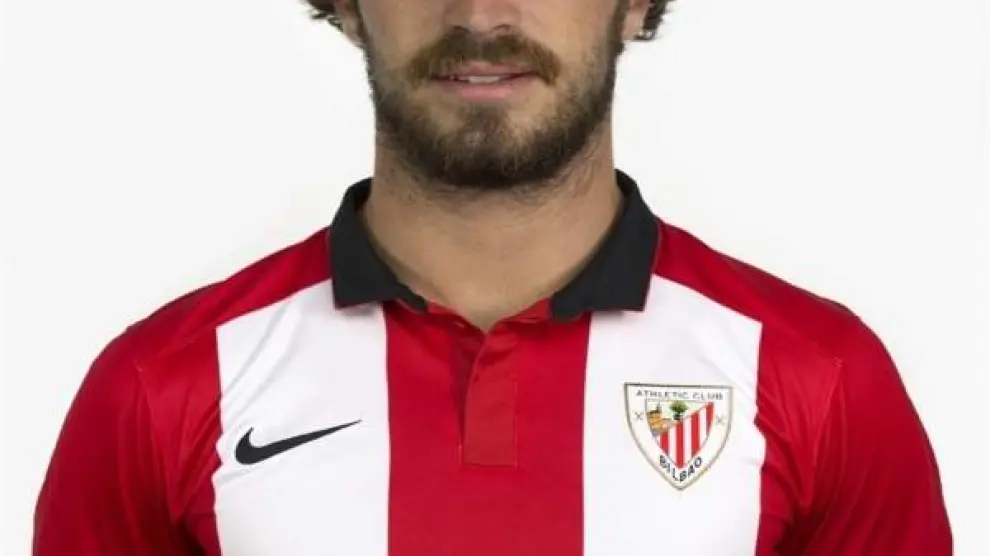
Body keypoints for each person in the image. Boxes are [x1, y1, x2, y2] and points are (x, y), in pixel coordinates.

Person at [33, 0, 952, 554]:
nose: (479, 16)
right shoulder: (163, 389)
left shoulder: (818, 380)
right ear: (346, 4)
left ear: (636, 3)